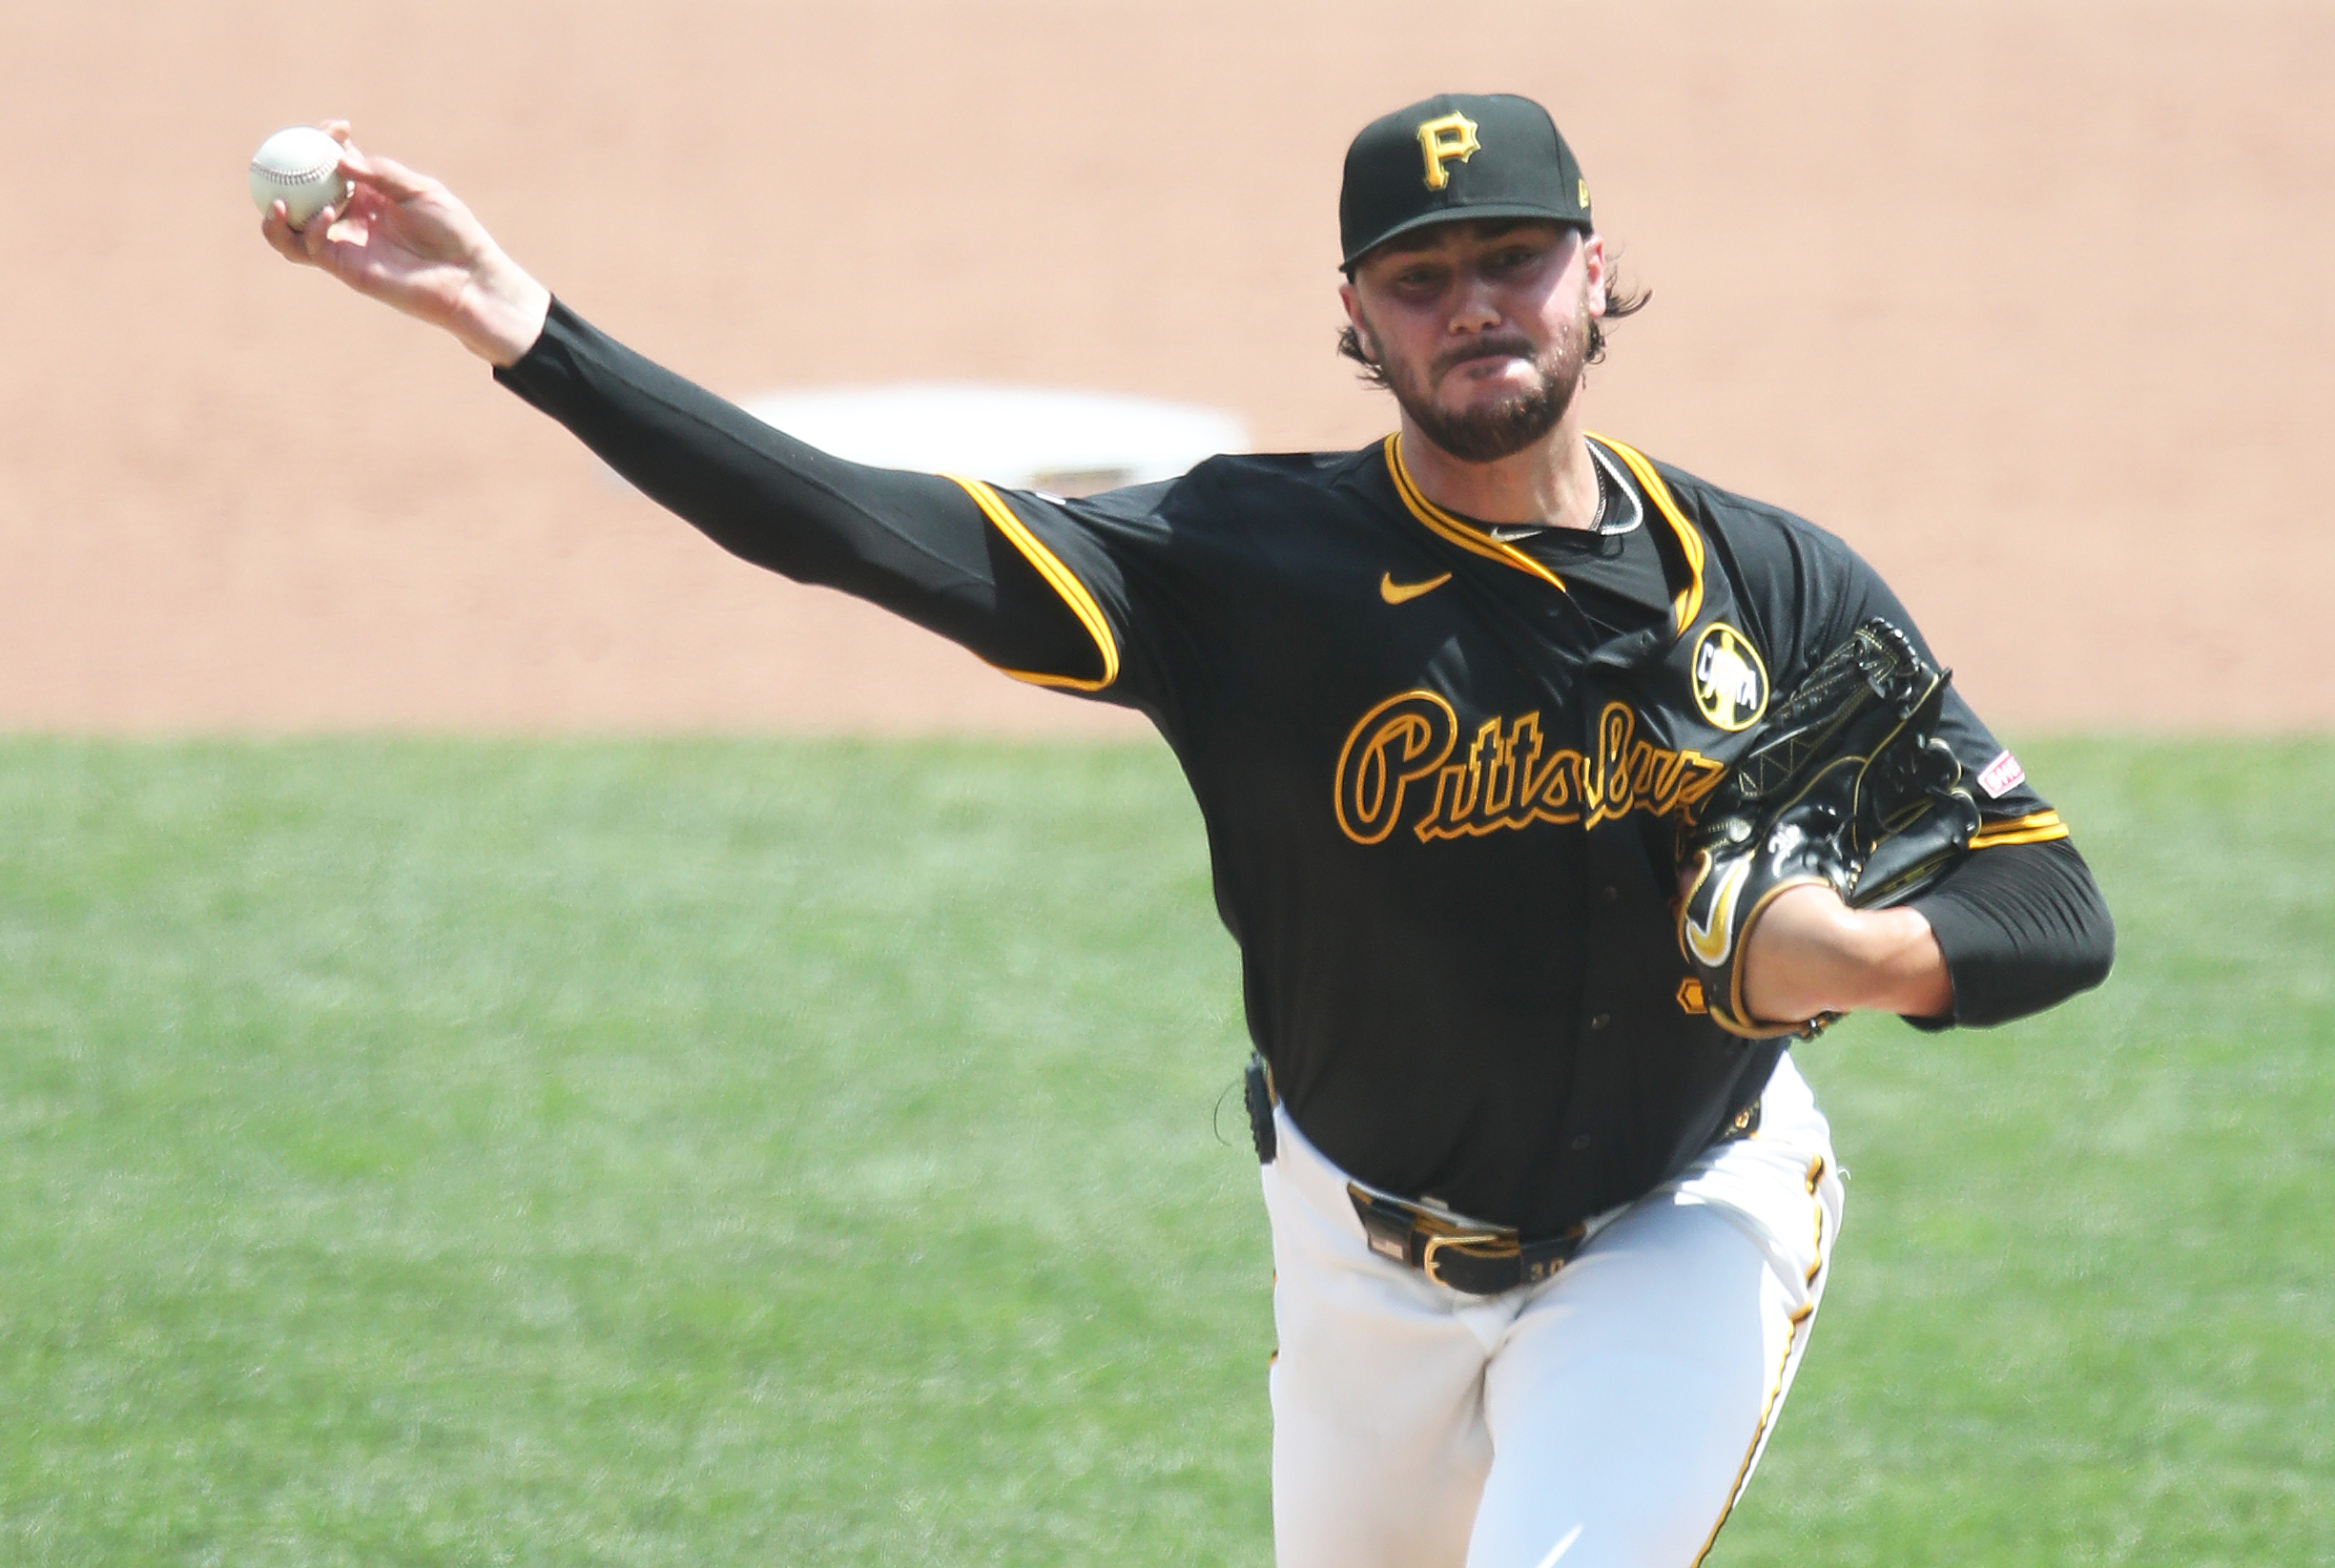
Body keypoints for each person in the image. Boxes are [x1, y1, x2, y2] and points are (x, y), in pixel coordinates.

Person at [261, 92, 2113, 1568]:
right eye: (1419, 272)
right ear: (1351, 313)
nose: (1474, 299)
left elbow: (2051, 897)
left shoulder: (1771, 585)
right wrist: (529, 332)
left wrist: (1868, 959)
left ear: (1593, 268)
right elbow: (854, 527)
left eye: (1514, 255)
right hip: (1355, 1256)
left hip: (1681, 1222)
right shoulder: (1247, 568)